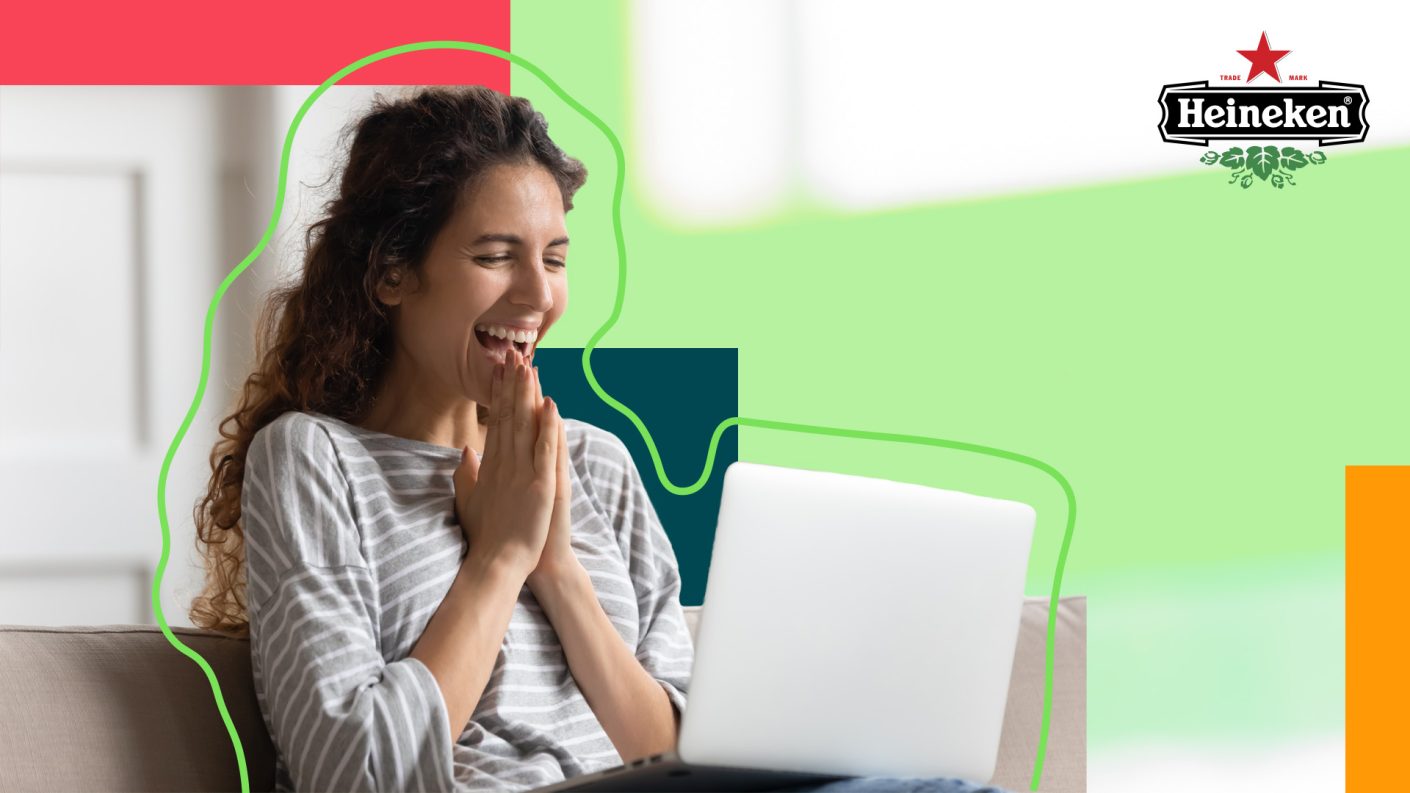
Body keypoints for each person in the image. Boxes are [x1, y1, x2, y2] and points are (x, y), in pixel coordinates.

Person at [188, 84, 1013, 793]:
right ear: (392, 272)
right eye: (494, 255)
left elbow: (682, 753)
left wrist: (557, 565)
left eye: (554, 257)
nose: (537, 294)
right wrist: (500, 556)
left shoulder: (597, 463)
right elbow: (354, 772)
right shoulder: (312, 460)